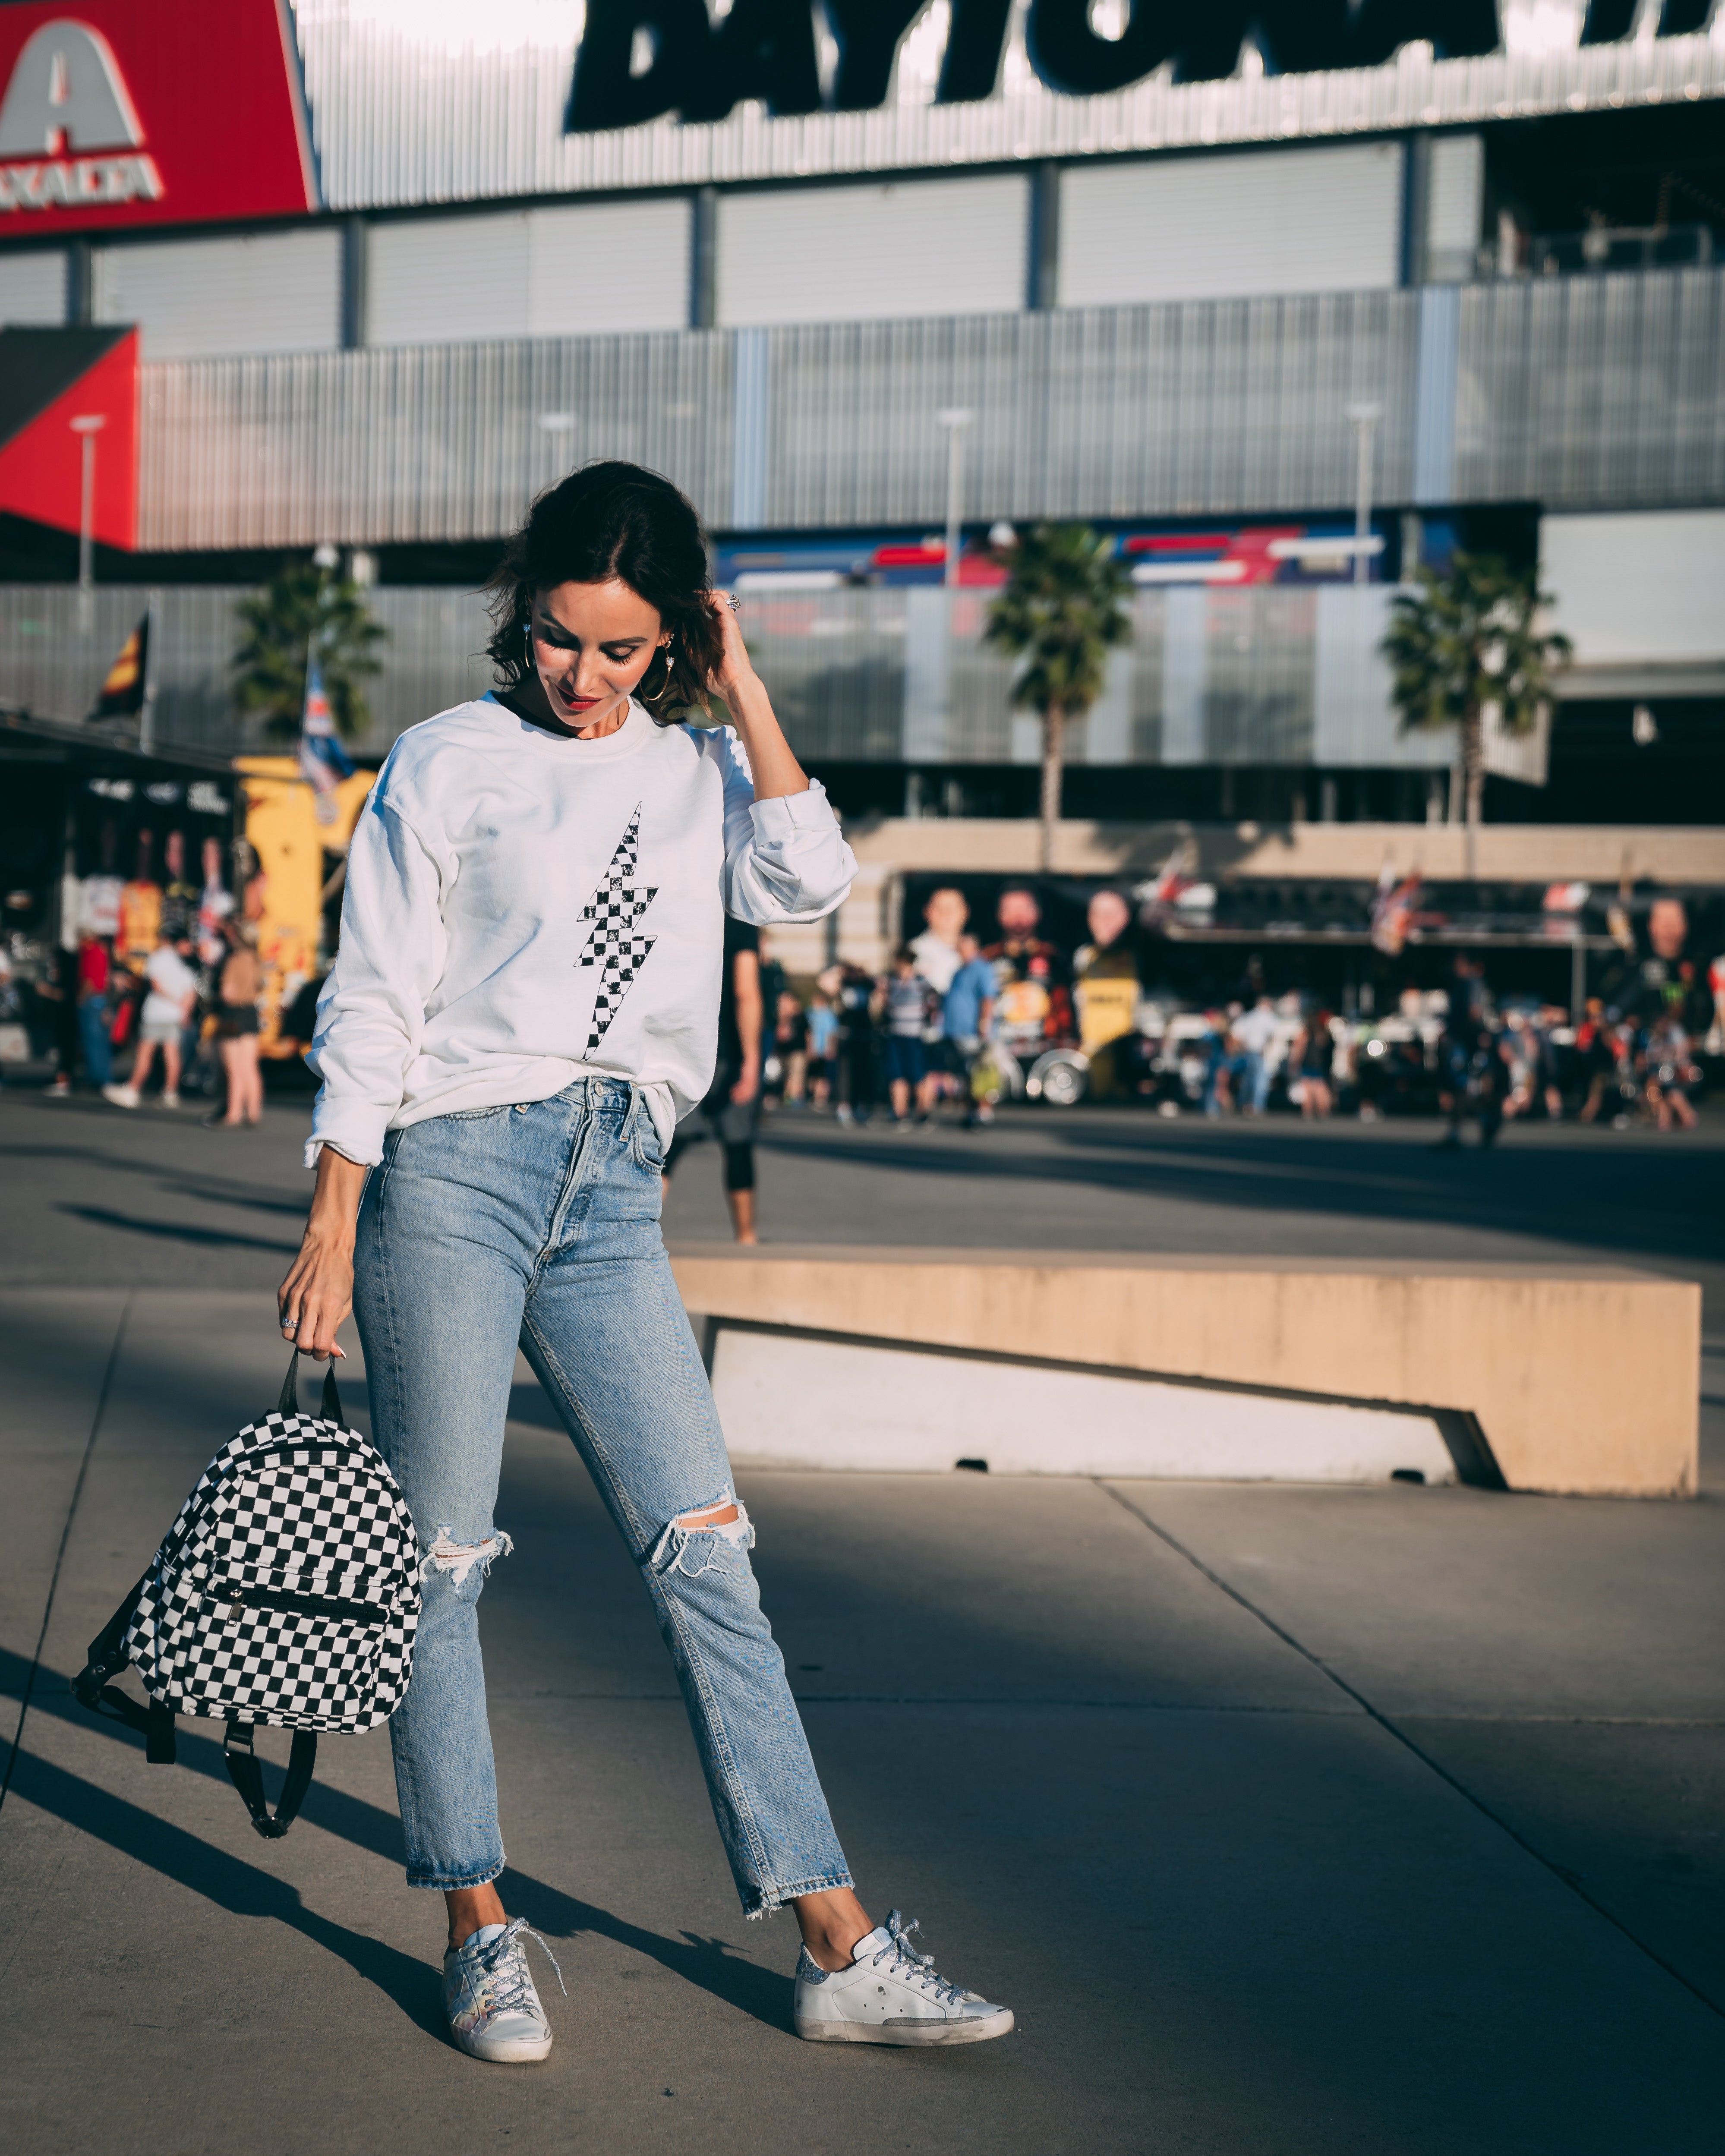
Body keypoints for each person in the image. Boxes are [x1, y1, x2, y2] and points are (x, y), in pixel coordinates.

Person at [277, 461, 1012, 2066]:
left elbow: (809, 883)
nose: (584, 678)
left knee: (709, 1555)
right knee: (444, 1568)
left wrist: (741, 685)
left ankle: (834, 1939)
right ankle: (476, 1926)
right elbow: (377, 990)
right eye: (557, 640)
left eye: (621, 650)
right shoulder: (448, 758)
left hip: (615, 1196)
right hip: (451, 1178)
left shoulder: (696, 769)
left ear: (670, 639)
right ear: (519, 615)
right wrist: (333, 1208)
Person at [663, 913, 765, 1242]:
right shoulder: (741, 922)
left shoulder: (684, 913)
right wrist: (751, 1061)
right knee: (737, 1146)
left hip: (682, 1048)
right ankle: (746, 1238)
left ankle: (638, 1235)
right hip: (726, 1054)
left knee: (669, 1148)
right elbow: (745, 991)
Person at [104, 930, 198, 1108]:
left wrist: (172, 1001)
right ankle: (171, 1093)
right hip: (174, 1016)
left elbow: (154, 984)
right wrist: (183, 1011)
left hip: (156, 1013)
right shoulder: (183, 963)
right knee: (172, 1055)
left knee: (145, 1054)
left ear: (164, 940)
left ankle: (133, 1089)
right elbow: (191, 993)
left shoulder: (157, 958)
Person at [206, 923, 264, 1128]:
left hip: (232, 1014)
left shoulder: (234, 959)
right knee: (250, 1067)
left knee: (233, 1068)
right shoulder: (254, 959)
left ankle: (233, 1112)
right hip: (251, 1013)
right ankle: (254, 1112)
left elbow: (227, 992)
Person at [942, 932, 997, 1127]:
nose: (959, 950)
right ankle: (970, 1112)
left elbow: (988, 998)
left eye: (962, 946)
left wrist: (984, 1026)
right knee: (964, 1075)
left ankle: (983, 1111)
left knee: (980, 1072)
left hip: (974, 1032)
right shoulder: (960, 971)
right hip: (957, 1032)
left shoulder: (982, 969)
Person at [882, 944, 936, 1126]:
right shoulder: (891, 983)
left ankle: (923, 1112)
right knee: (897, 1074)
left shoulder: (922, 984)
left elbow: (934, 1007)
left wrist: (929, 1027)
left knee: (918, 1074)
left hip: (915, 1035)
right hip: (895, 1034)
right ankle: (900, 1112)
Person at [805, 988, 839, 1109]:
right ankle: (814, 1095)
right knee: (814, 1073)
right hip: (814, 1049)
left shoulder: (829, 1014)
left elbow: (832, 1033)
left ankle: (822, 1097)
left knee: (824, 1075)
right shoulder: (810, 1013)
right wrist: (809, 1048)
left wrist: (831, 1048)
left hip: (824, 1049)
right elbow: (808, 1032)